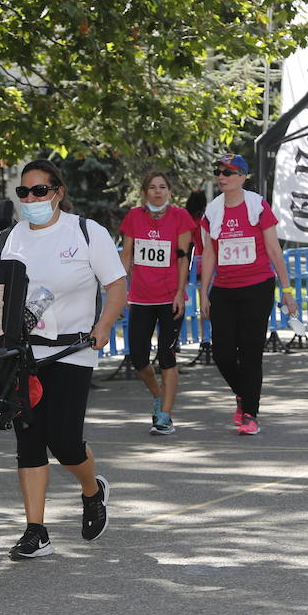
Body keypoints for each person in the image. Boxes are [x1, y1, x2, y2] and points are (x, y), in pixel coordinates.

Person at [0, 159, 126, 559]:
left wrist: (104, 324)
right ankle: (36, 530)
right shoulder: (7, 240)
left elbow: (117, 285)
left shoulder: (86, 232)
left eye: (40, 191)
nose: (31, 199)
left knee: (65, 441)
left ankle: (92, 490)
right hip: (24, 352)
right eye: (24, 192)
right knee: (29, 441)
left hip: (73, 349)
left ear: (58, 194)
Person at [196, 154, 297, 436]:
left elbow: (274, 251)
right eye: (218, 171)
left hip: (257, 287)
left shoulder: (257, 205)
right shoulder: (212, 210)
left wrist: (287, 291)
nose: (221, 176)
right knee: (223, 354)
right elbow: (209, 253)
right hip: (224, 290)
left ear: (242, 177)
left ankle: (250, 413)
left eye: (228, 172)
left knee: (251, 353)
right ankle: (244, 394)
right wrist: (204, 293)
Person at [119, 169, 194, 434]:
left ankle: (165, 415)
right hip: (140, 298)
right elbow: (126, 257)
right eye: (152, 187)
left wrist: (179, 292)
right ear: (144, 192)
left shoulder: (180, 217)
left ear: (170, 191)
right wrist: (119, 292)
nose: (158, 191)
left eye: (163, 186)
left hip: (169, 299)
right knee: (139, 357)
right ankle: (158, 395)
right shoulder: (133, 218)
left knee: (166, 356)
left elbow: (184, 257)